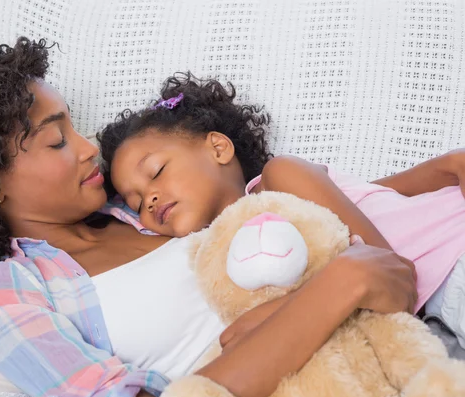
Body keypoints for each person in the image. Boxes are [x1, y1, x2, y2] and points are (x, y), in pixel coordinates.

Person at [0, 38, 417, 397]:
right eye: (58, 140)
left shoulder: (141, 209)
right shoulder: (6, 296)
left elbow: (302, 214)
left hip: (388, 350)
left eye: (77, 129)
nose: (88, 150)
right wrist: (335, 291)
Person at [98, 72, 465, 349]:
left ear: (218, 148)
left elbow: (382, 263)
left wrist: (450, 164)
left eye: (156, 172)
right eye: (136, 203)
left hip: (450, 265)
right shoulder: (232, 262)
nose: (150, 199)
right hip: (424, 323)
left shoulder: (279, 177)